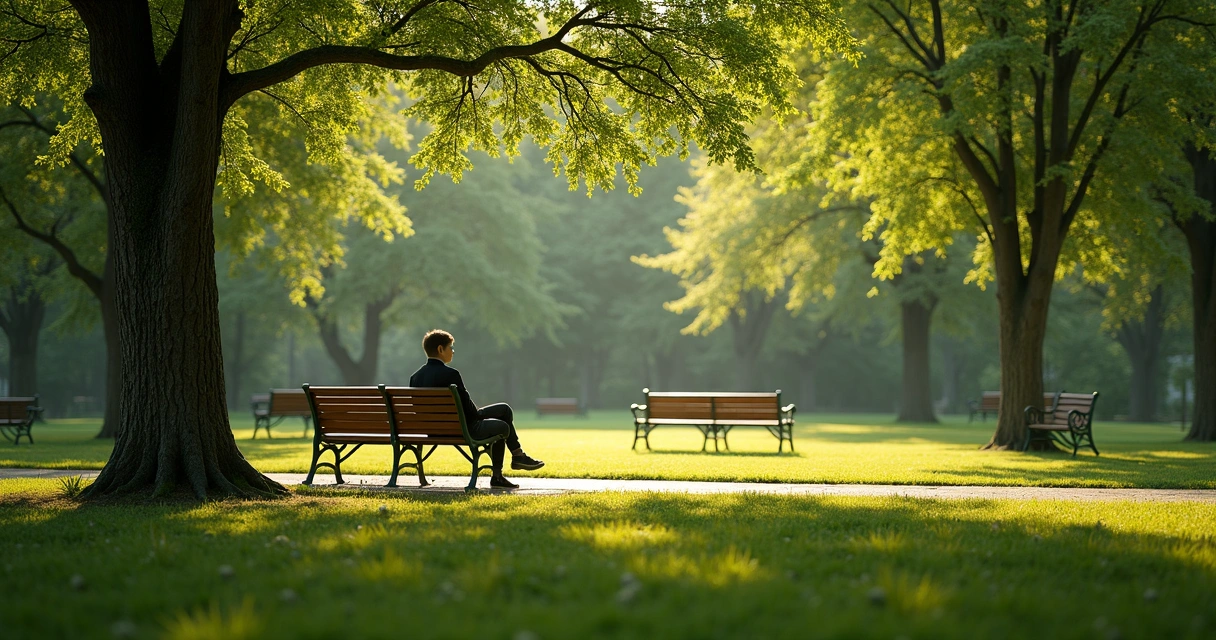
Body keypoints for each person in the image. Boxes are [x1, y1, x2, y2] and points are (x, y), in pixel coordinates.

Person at [409, 329, 544, 489]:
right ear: (440, 349)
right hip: (463, 429)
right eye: (451, 348)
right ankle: (502, 471)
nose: (453, 352)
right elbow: (470, 411)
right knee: (502, 424)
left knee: (504, 410)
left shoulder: (415, 377)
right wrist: (479, 413)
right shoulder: (451, 374)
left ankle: (517, 456)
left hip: (432, 430)